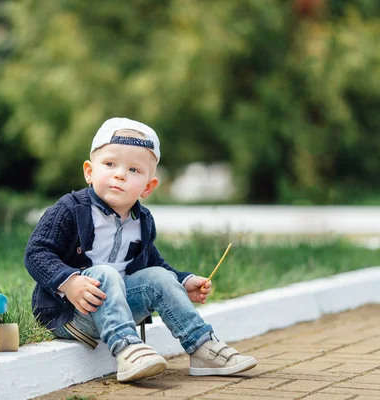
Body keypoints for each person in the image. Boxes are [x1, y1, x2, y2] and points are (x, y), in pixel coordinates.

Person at [24, 117, 257, 382]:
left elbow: (152, 262)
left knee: (159, 276)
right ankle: (127, 349)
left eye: (133, 170)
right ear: (89, 171)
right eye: (110, 164)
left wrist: (183, 280)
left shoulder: (143, 220)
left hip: (118, 308)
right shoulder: (70, 209)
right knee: (105, 274)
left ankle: (202, 346)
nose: (120, 174)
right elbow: (36, 252)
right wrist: (69, 283)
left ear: (148, 186)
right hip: (71, 312)